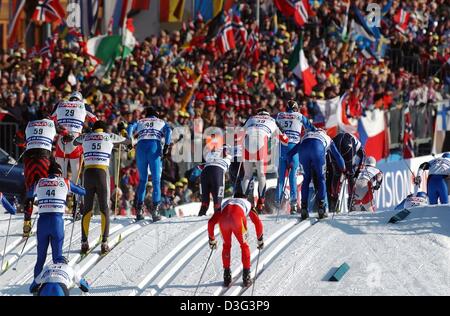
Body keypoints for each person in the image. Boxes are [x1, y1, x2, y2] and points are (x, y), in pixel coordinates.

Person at [74, 120, 128, 255]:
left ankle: (84, 242)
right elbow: (127, 141)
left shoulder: (86, 136)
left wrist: (85, 135)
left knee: (87, 209)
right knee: (104, 208)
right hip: (102, 173)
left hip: (88, 173)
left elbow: (75, 142)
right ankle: (104, 243)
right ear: (103, 130)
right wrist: (122, 131)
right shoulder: (109, 136)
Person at [31, 161, 86, 281]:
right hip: (57, 222)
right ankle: (57, 282)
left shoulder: (39, 182)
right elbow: (83, 192)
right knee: (57, 257)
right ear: (59, 173)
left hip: (42, 222)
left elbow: (29, 194)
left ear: (48, 173)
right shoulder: (64, 181)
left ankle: (36, 286)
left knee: (40, 258)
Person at [208, 191, 264, 287]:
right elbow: (257, 222)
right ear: (245, 197)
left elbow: (211, 222)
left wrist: (212, 239)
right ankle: (246, 276)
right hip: (237, 220)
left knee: (226, 246)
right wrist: (260, 239)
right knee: (244, 245)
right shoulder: (247, 203)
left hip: (224, 220)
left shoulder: (226, 202)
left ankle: (226, 275)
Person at [288, 129, 345, 219]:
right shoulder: (328, 138)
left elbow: (291, 153)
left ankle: (304, 208)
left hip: (304, 149)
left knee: (306, 179)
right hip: (317, 149)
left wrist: (289, 162)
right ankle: (321, 206)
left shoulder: (307, 135)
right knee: (321, 178)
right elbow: (337, 155)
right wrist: (343, 168)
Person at [127, 107, 172, 221]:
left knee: (142, 180)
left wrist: (130, 140)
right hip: (154, 147)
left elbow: (130, 127)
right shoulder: (161, 122)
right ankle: (155, 210)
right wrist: (166, 146)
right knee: (156, 180)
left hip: (141, 148)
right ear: (156, 115)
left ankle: (139, 210)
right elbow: (169, 131)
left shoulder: (141, 121)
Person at [241, 109, 288, 213]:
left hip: (248, 142)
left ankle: (244, 201)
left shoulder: (251, 118)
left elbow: (239, 132)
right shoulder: (273, 120)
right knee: (261, 174)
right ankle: (260, 203)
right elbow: (285, 139)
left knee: (247, 175)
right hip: (261, 141)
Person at [275, 100, 316, 214]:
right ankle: (293, 204)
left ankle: (277, 202)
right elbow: (311, 127)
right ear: (296, 108)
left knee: (281, 178)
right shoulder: (299, 116)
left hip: (282, 148)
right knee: (293, 176)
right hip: (294, 149)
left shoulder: (280, 115)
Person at [50, 91, 97, 182]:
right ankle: (76, 195)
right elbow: (96, 121)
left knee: (60, 176)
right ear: (80, 99)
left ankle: (62, 194)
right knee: (76, 176)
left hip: (61, 139)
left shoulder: (60, 104)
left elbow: (50, 120)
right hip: (75, 139)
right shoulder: (84, 105)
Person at [21, 118, 57, 237]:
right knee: (45, 190)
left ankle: (27, 223)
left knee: (30, 191)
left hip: (29, 159)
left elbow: (18, 138)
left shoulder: (29, 123)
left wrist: (23, 143)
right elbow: (64, 133)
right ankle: (46, 225)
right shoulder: (51, 123)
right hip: (44, 158)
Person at [328, 132, 365, 211]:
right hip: (347, 146)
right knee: (350, 174)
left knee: (336, 174)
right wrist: (357, 172)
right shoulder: (358, 144)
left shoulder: (356, 141)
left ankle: (334, 201)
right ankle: (351, 202)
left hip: (335, 143)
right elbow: (363, 156)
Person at [198, 146, 232, 216]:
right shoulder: (233, 148)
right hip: (218, 171)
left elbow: (200, 166)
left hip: (205, 172)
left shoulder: (213, 148)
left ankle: (200, 216)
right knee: (217, 203)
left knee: (204, 203)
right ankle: (217, 221)